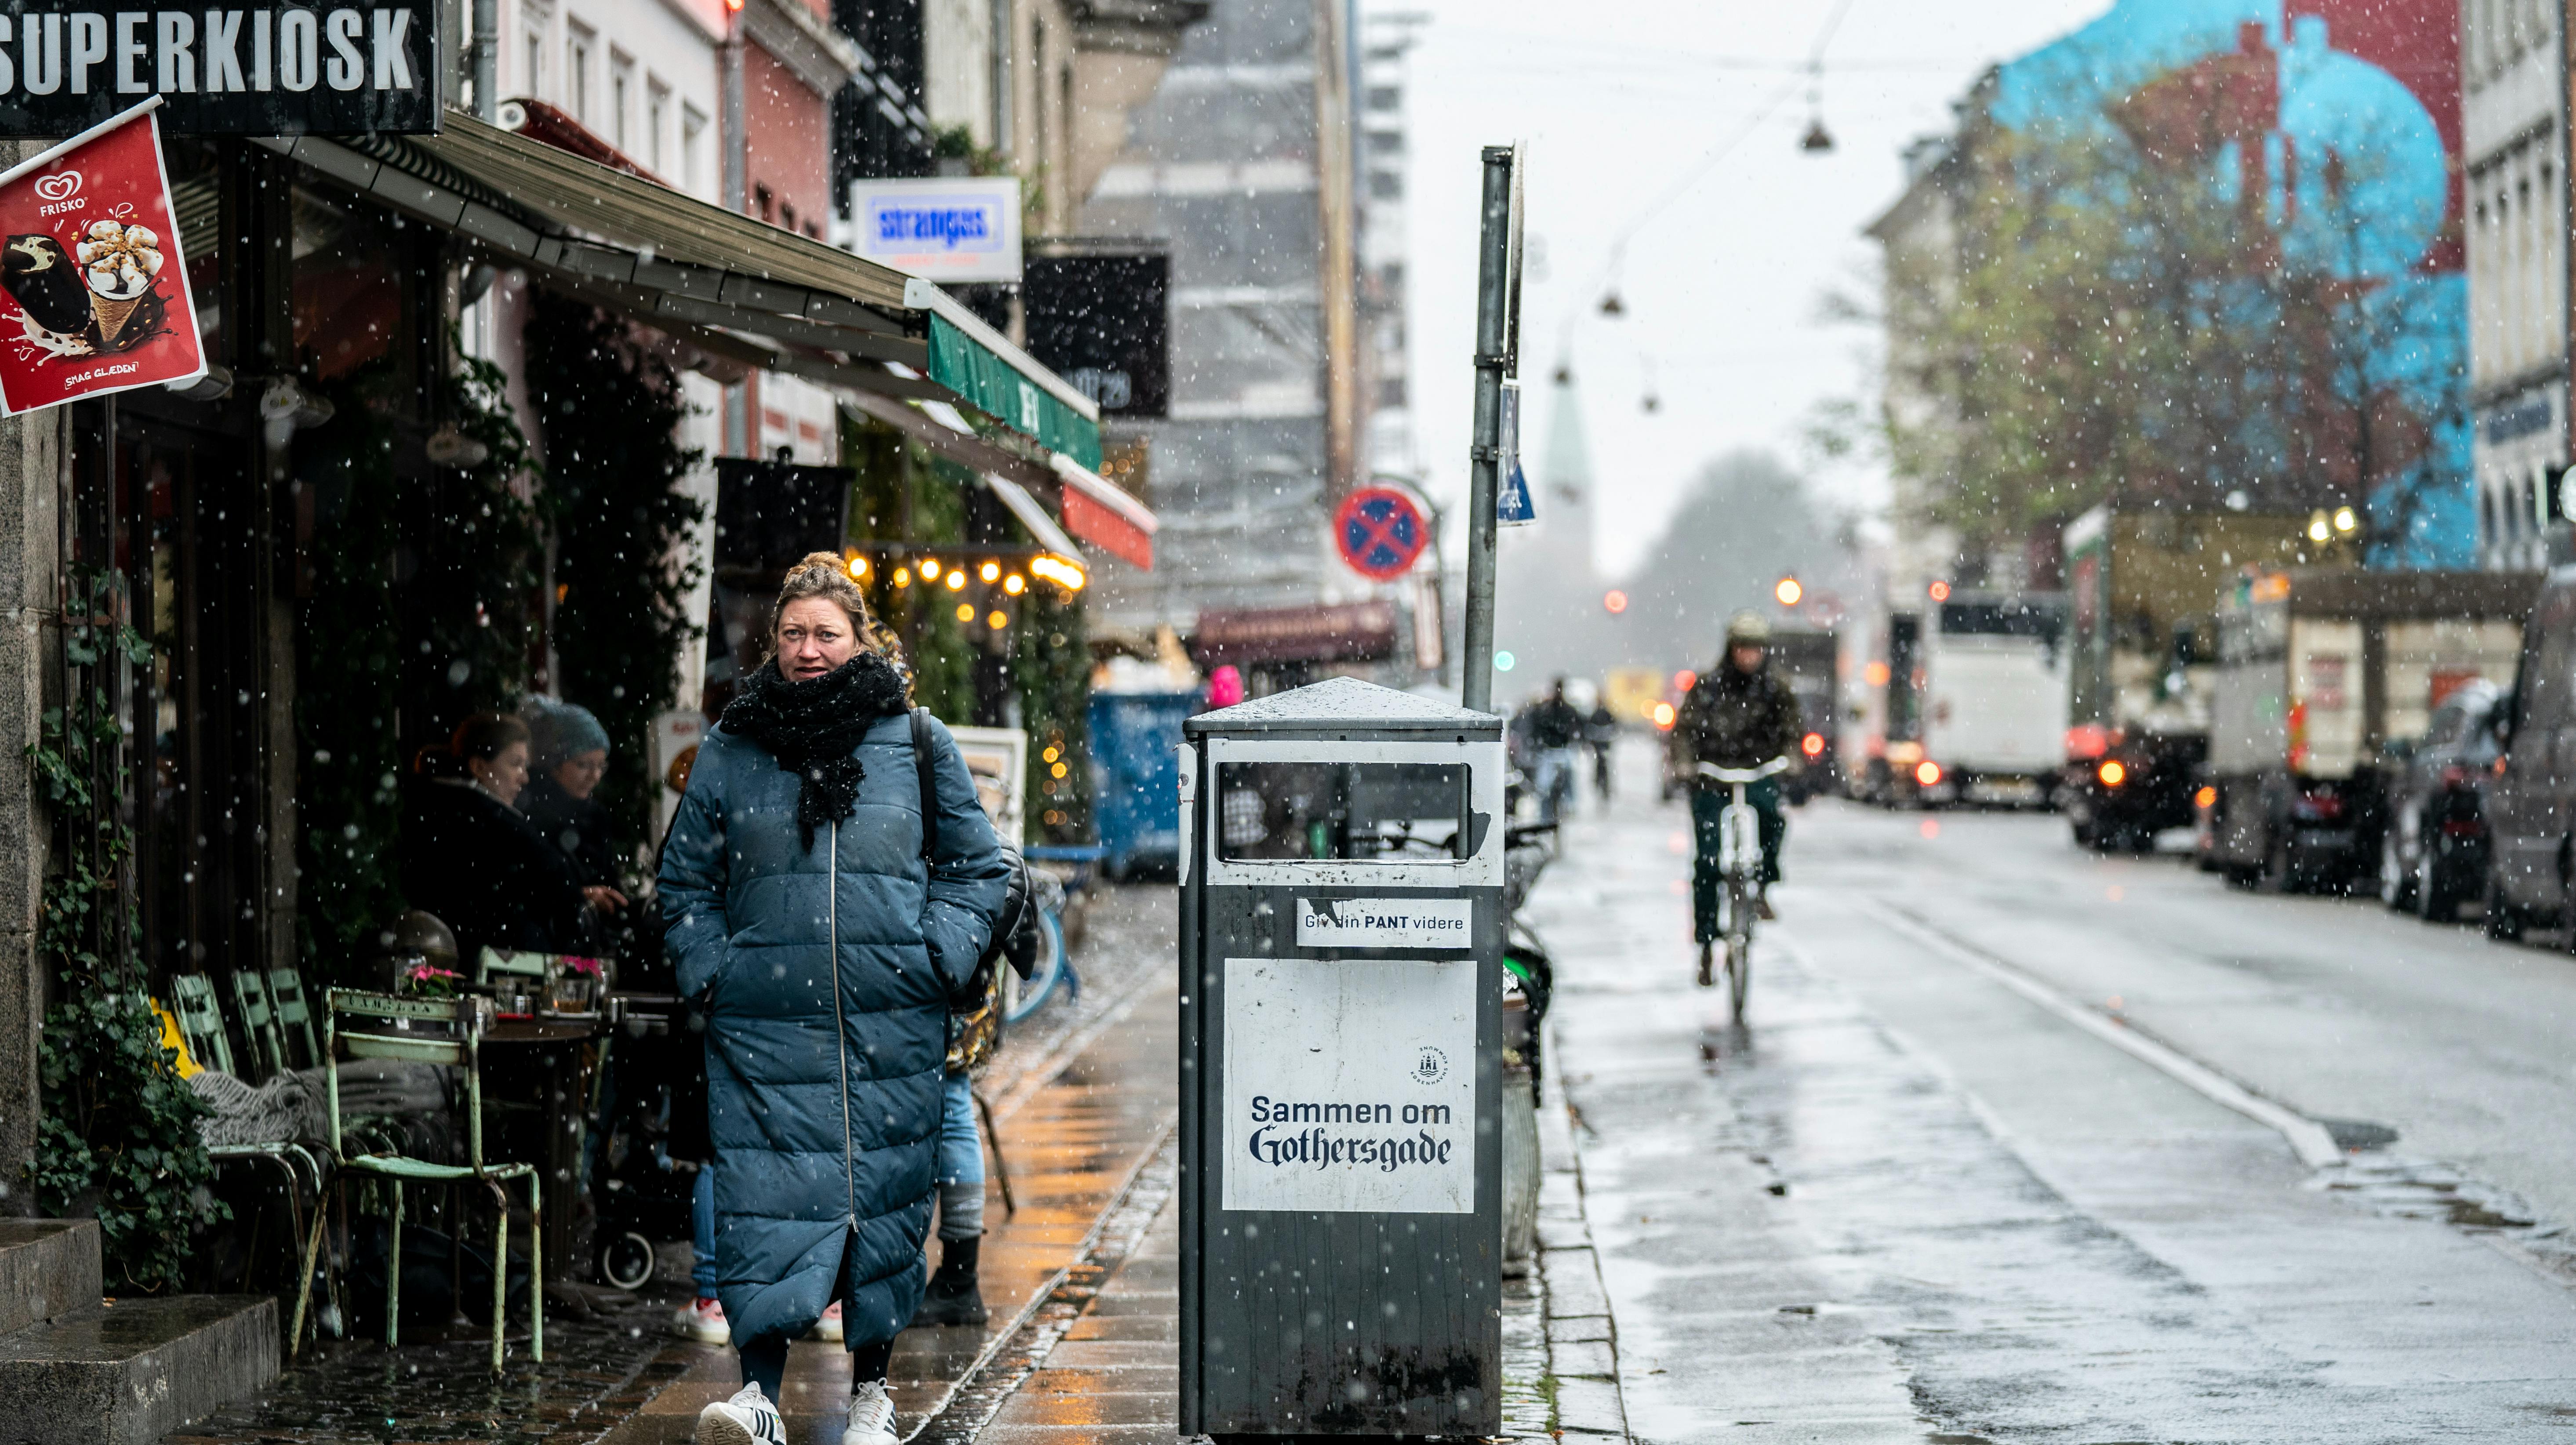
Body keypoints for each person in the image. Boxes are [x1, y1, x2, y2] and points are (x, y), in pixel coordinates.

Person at [661, 553, 1008, 1445]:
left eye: (825, 633)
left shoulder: (915, 739)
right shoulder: (733, 747)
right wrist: (713, 971)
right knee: (765, 1203)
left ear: (859, 639)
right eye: (792, 633)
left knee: (883, 1207)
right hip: (764, 1026)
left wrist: (934, 958)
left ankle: (871, 1398)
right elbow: (685, 880)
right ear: (772, 641)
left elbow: (979, 868)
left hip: (889, 1022)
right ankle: (757, 1395)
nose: (807, 648)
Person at [400, 713, 588, 972]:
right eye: (515, 764)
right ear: (478, 767)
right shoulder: (487, 824)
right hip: (502, 969)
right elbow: (555, 885)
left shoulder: (440, 812)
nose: (524, 778)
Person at [1675, 612, 1802, 932]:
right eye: (1743, 648)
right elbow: (1684, 731)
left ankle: (1763, 884)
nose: (1749, 656)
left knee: (1773, 818)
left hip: (1758, 771)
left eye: (1755, 649)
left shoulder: (1776, 688)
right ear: (1731, 649)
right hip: (1712, 775)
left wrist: (1791, 758)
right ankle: (1705, 935)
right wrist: (1685, 763)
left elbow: (1792, 730)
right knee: (1707, 859)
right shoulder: (1707, 686)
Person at [519, 698, 630, 930]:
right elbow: (528, 891)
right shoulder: (528, 812)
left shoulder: (596, 816)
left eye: (601, 766)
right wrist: (580, 897)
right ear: (555, 764)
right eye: (583, 765)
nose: (595, 777)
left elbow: (609, 883)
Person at [1522, 679, 1585, 824]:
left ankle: (1546, 815)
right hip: (1561, 750)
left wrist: (1537, 746)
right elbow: (1578, 728)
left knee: (1545, 787)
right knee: (1568, 779)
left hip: (1550, 751)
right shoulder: (1568, 709)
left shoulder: (1546, 709)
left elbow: (1536, 730)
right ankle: (1569, 804)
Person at [1586, 699, 1619, 802]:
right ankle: (1604, 785)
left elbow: (1590, 729)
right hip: (1605, 745)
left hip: (1599, 745)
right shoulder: (1608, 714)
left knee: (1600, 765)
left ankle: (1599, 783)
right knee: (1604, 765)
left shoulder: (1595, 715)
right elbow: (1614, 727)